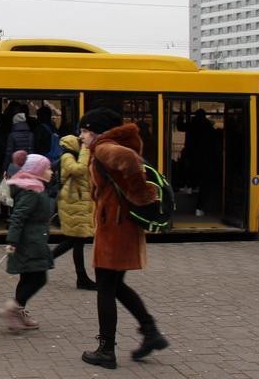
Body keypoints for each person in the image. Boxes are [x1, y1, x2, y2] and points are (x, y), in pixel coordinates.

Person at [77, 108, 169, 370]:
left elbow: (128, 161)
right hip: (123, 225)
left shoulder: (104, 147)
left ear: (95, 131)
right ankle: (151, 332)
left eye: (84, 131)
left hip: (115, 228)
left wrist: (142, 194)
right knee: (116, 285)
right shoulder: (111, 144)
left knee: (106, 287)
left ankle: (106, 350)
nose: (81, 137)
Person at [0, 154, 54, 331]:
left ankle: (18, 312)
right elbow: (18, 217)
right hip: (30, 242)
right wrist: (12, 241)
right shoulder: (32, 191)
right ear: (37, 171)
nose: (51, 172)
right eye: (47, 168)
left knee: (28, 277)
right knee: (39, 278)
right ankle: (13, 308)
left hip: (34, 239)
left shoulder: (35, 187)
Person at [52, 135, 97, 290]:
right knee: (76, 240)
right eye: (80, 143)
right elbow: (79, 170)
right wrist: (85, 150)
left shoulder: (73, 156)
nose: (82, 144)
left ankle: (81, 277)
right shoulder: (67, 156)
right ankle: (81, 278)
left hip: (77, 202)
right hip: (72, 203)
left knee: (76, 240)